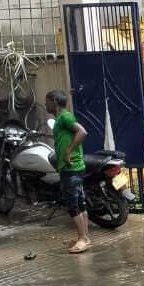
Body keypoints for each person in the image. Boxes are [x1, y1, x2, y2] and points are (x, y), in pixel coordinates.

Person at [46, 89, 91, 254]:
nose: (45, 104)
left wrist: (68, 152)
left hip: (71, 167)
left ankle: (82, 239)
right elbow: (65, 136)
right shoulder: (60, 119)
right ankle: (85, 237)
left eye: (47, 101)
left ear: (54, 102)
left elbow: (82, 132)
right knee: (80, 202)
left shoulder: (65, 116)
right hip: (72, 168)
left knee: (73, 205)